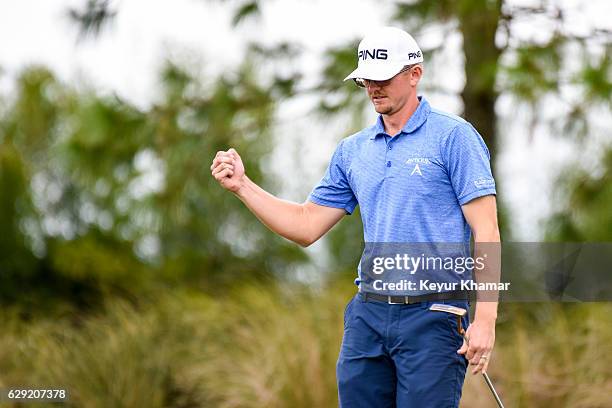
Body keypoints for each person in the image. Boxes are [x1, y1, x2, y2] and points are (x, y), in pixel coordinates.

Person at [211, 26, 500, 408]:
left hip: (436, 315)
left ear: (415, 73)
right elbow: (306, 224)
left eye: (383, 78)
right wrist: (243, 186)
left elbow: (487, 229)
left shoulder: (454, 137)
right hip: (368, 314)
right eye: (367, 79)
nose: (374, 88)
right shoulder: (353, 151)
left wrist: (486, 320)